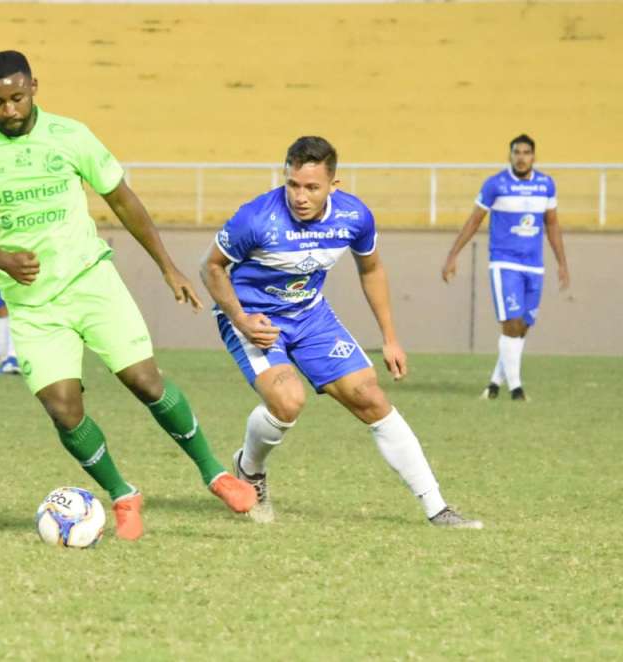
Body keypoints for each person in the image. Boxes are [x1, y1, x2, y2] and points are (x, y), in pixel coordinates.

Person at [0, 50, 255, 540]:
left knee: (144, 381)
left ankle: (215, 473)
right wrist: (2, 259)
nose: (8, 111)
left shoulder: (72, 136)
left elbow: (121, 199)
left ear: (34, 87)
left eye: (16, 98)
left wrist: (168, 266)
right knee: (63, 408)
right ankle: (122, 494)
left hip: (91, 282)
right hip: (32, 304)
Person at [200, 136, 481, 528]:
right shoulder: (256, 218)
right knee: (287, 400)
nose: (300, 196)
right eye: (293, 184)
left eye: (312, 187)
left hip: (310, 315)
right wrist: (241, 318)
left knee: (369, 396)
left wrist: (390, 337)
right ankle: (250, 470)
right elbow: (211, 267)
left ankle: (437, 508)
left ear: (334, 185)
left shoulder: (354, 217)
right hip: (255, 317)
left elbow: (371, 270)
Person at [442, 134, 569, 401]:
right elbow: (474, 221)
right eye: (516, 152)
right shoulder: (495, 184)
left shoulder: (546, 185)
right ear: (509, 156)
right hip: (504, 261)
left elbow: (553, 224)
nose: (521, 157)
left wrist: (562, 262)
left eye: (526, 152)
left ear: (534, 156)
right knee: (510, 323)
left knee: (522, 326)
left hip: (534, 264)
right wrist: (453, 254)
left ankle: (494, 385)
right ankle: (517, 389)